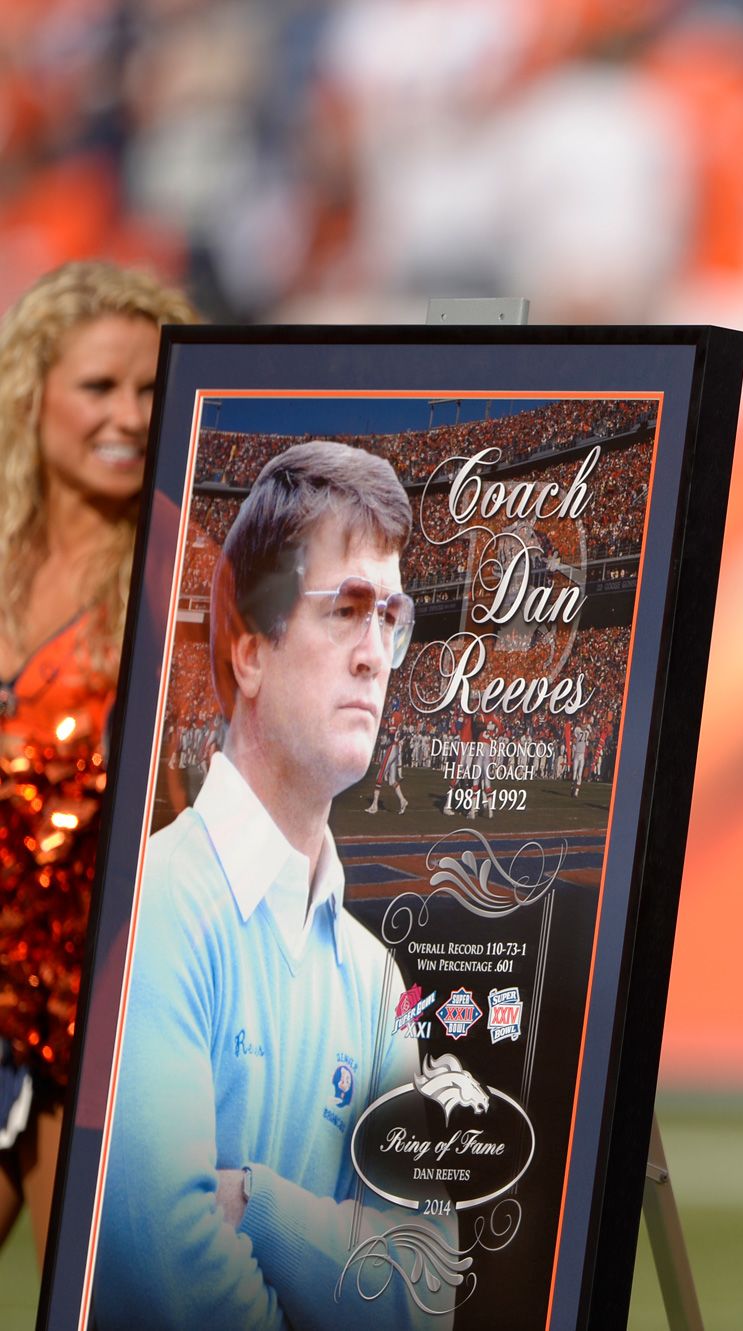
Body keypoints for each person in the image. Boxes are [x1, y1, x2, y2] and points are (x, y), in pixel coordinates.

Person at [96, 441, 450, 1328]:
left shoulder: (375, 981)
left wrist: (259, 1204)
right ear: (250, 652)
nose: (377, 655)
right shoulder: (155, 904)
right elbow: (164, 1269)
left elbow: (428, 1293)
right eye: (349, 609)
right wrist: (339, 1242)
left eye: (392, 618)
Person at [0, 261, 197, 1265]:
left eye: (152, 387)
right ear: (33, 395)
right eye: (99, 386)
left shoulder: (188, 569)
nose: (128, 413)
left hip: (107, 1028)